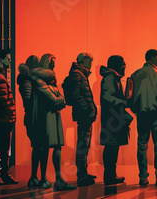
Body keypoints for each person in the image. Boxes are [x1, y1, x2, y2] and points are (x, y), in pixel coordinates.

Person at [29, 54, 76, 191]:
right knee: (47, 147)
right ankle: (49, 179)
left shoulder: (44, 79)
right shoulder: (39, 80)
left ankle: (50, 179)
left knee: (52, 148)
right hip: (47, 118)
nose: (54, 65)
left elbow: (56, 97)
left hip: (51, 117)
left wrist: (58, 97)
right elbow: (55, 99)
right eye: (52, 63)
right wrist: (59, 97)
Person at [130, 49, 157, 186]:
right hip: (156, 115)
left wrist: (135, 109)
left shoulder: (135, 74)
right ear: (151, 58)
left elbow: (129, 96)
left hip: (141, 115)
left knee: (142, 146)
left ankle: (143, 177)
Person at [99, 55, 133, 185]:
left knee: (112, 148)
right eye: (123, 63)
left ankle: (111, 175)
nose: (125, 66)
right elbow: (107, 97)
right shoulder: (110, 78)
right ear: (117, 65)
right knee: (111, 148)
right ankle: (109, 177)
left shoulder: (113, 78)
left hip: (113, 119)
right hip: (111, 120)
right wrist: (125, 102)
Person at [0, 49, 18, 185]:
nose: (9, 61)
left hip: (2, 117)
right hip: (2, 118)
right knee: (1, 148)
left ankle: (0, 174)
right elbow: (2, 99)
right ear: (1, 59)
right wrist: (8, 113)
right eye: (8, 58)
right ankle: (1, 175)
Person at [68, 53, 97, 187]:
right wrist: (87, 109)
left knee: (84, 144)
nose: (91, 64)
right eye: (89, 61)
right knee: (82, 144)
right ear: (82, 61)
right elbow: (76, 94)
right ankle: (82, 175)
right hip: (83, 115)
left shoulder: (80, 74)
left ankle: (83, 172)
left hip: (85, 115)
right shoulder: (77, 74)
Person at [17, 55, 41, 187]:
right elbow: (28, 100)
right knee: (37, 147)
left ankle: (34, 176)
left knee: (37, 147)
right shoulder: (28, 81)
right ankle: (33, 176)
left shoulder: (26, 80)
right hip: (33, 117)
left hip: (31, 116)